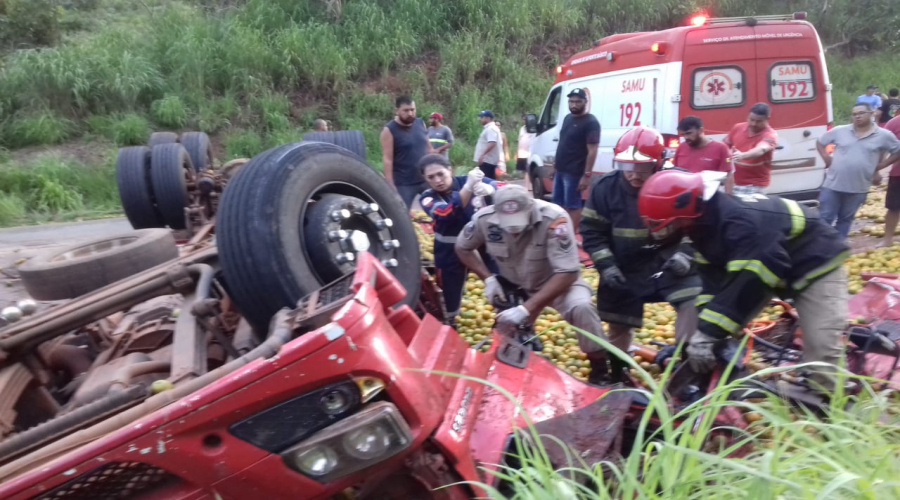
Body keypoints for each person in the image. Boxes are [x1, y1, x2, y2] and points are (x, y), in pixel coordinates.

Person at [638, 169, 851, 396]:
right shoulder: (704, 225)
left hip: (816, 264)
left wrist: (709, 333)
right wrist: (705, 329)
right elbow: (714, 282)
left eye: (665, 223)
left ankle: (833, 403)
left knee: (821, 343)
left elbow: (752, 280)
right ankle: (717, 381)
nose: (663, 231)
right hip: (773, 267)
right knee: (716, 327)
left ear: (684, 211)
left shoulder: (739, 223)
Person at [455, 184, 613, 384]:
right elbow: (462, 247)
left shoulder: (554, 219)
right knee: (505, 334)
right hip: (515, 285)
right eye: (507, 223)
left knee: (582, 308)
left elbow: (569, 272)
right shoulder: (484, 220)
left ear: (531, 209)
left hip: (557, 282)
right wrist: (488, 278)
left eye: (518, 221)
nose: (512, 229)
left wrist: (526, 308)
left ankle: (600, 369)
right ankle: (521, 354)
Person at [581, 127, 701, 381]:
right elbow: (592, 232)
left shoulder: (678, 183)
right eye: (627, 167)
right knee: (618, 321)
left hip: (671, 264)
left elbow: (700, 226)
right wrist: (607, 266)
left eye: (643, 168)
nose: (634, 175)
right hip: (624, 265)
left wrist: (685, 255)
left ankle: (690, 370)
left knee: (692, 303)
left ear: (659, 163)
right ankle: (617, 371)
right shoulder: (605, 188)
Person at [418, 154, 496, 324]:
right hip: (449, 251)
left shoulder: (468, 181)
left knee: (499, 281)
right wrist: (468, 188)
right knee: (450, 295)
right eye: (431, 177)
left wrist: (492, 190)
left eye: (441, 174)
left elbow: (507, 190)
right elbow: (446, 213)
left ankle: (506, 319)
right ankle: (452, 325)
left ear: (450, 170)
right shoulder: (428, 197)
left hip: (481, 244)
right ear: (425, 178)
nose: (438, 180)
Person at [816, 102, 900, 239]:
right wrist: (826, 158)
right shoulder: (840, 131)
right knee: (825, 218)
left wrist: (880, 166)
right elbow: (820, 142)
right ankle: (819, 247)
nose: (857, 117)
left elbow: (897, 151)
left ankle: (838, 248)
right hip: (833, 185)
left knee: (845, 219)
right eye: (854, 114)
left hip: (858, 188)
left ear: (871, 114)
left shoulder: (883, 135)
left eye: (861, 113)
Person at [552, 88, 600, 231]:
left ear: (585, 102)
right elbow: (563, 143)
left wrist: (586, 176)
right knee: (558, 204)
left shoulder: (591, 122)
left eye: (578, 101)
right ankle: (560, 234)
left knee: (573, 205)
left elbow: (593, 150)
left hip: (574, 172)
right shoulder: (567, 118)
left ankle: (571, 236)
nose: (574, 104)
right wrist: (555, 166)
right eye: (571, 101)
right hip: (561, 170)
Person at [380, 96, 433, 209]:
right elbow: (387, 159)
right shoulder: (389, 130)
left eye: (412, 110)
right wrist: (390, 184)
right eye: (406, 110)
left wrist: (439, 166)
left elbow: (429, 148)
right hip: (404, 183)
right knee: (402, 215)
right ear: (397, 111)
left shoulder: (420, 123)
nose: (410, 113)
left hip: (426, 179)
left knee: (436, 210)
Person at [722, 103, 778, 195]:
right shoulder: (738, 127)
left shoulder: (770, 135)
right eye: (751, 119)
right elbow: (724, 146)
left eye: (759, 121)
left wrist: (743, 155)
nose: (753, 124)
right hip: (732, 182)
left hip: (754, 186)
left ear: (768, 119)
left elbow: (761, 150)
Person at [672, 116, 734, 193]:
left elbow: (728, 176)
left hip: (709, 198)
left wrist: (728, 198)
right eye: (683, 134)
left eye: (689, 133)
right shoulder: (681, 147)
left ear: (701, 130)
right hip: (683, 198)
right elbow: (674, 173)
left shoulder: (721, 148)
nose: (686, 137)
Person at [882, 113, 900, 246]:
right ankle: (887, 240)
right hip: (898, 173)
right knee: (893, 207)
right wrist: (878, 167)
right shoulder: (894, 123)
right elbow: (881, 147)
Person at [474, 110, 501, 180]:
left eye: (482, 117)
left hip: (487, 161)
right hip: (487, 161)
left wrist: (482, 155)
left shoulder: (491, 129)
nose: (481, 119)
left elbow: (492, 142)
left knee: (487, 182)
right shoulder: (489, 128)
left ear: (488, 118)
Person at [517, 116, 536, 193]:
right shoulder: (522, 128)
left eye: (526, 119)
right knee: (524, 170)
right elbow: (520, 140)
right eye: (524, 119)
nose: (525, 121)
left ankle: (530, 186)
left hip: (530, 152)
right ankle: (526, 186)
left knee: (529, 169)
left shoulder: (533, 129)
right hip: (522, 152)